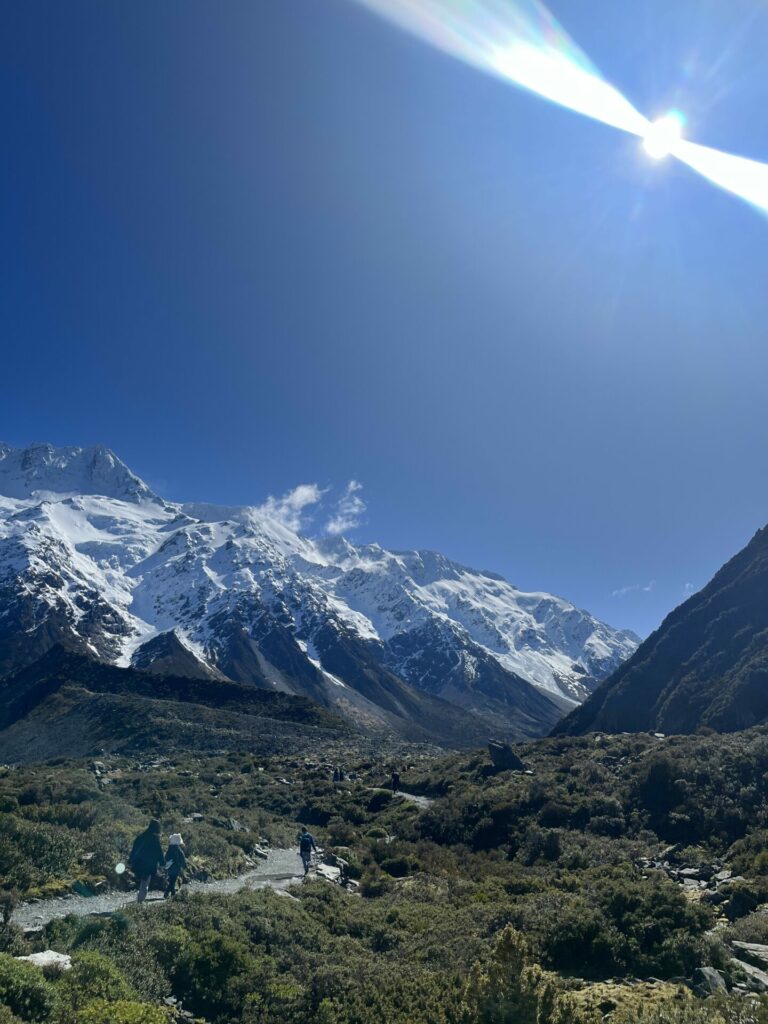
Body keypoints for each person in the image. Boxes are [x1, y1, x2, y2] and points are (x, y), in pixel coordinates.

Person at [129, 819, 164, 902]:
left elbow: (134, 849)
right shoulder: (155, 839)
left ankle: (139, 900)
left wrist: (130, 859)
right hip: (148, 865)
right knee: (145, 883)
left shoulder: (141, 836)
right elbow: (159, 852)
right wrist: (163, 863)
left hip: (138, 863)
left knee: (142, 881)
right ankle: (140, 902)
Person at [163, 833, 187, 898]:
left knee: (172, 880)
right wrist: (184, 866)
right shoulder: (178, 849)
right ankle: (167, 892)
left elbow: (166, 857)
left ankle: (173, 893)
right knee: (172, 881)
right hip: (176, 868)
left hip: (169, 867)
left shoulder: (169, 849)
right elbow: (182, 858)